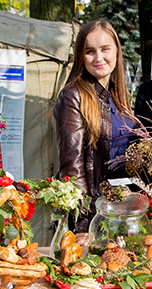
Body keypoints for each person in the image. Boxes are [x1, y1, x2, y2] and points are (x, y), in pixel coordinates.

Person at [53, 20, 135, 232]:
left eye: (105, 49)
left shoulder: (119, 100)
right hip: (95, 218)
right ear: (81, 56)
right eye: (90, 51)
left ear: (116, 51)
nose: (99, 58)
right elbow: (72, 169)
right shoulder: (73, 96)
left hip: (122, 213)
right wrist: (85, 226)